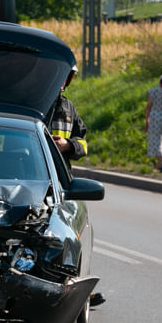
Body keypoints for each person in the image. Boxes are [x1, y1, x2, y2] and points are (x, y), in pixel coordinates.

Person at [49, 65, 105, 307]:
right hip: (33, 180)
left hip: (62, 180)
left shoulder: (68, 108)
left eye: (66, 77)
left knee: (75, 234)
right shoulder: (33, 106)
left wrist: (68, 146)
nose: (62, 81)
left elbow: (83, 142)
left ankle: (79, 292)